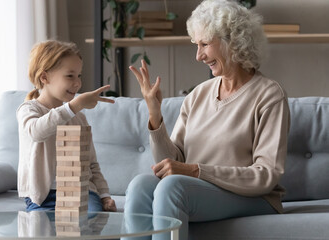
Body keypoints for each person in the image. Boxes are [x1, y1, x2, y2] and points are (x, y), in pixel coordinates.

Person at [126, 0, 290, 239]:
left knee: (173, 188)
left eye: (204, 44)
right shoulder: (198, 94)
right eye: (196, 44)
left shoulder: (269, 95)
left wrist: (195, 171)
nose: (198, 55)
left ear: (232, 42)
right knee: (140, 186)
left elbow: (265, 176)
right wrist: (155, 114)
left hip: (255, 197)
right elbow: (170, 164)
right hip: (197, 190)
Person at [17, 40, 117, 213]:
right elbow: (36, 132)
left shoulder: (78, 117)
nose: (77, 83)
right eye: (70, 76)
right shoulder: (29, 110)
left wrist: (104, 195)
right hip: (43, 197)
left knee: (91, 220)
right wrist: (73, 107)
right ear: (44, 77)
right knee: (41, 229)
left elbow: (91, 163)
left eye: (79, 76)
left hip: (81, 192)